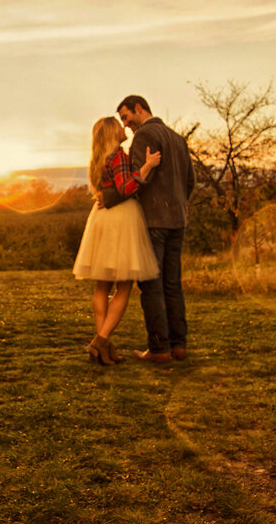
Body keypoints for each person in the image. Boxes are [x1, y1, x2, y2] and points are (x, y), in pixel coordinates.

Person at [71, 116, 161, 364]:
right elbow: (125, 188)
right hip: (121, 219)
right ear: (113, 132)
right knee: (124, 286)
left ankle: (103, 347)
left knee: (102, 287)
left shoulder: (98, 159)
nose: (124, 129)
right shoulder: (118, 155)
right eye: (119, 126)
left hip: (102, 219)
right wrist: (147, 166)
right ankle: (100, 341)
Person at [116, 95, 194, 364]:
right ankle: (179, 345)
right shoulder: (178, 139)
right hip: (178, 219)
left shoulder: (143, 137)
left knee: (151, 285)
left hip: (152, 221)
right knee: (173, 284)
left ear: (139, 108)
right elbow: (190, 181)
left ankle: (159, 349)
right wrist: (178, 204)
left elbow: (139, 181)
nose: (126, 126)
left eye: (126, 117)